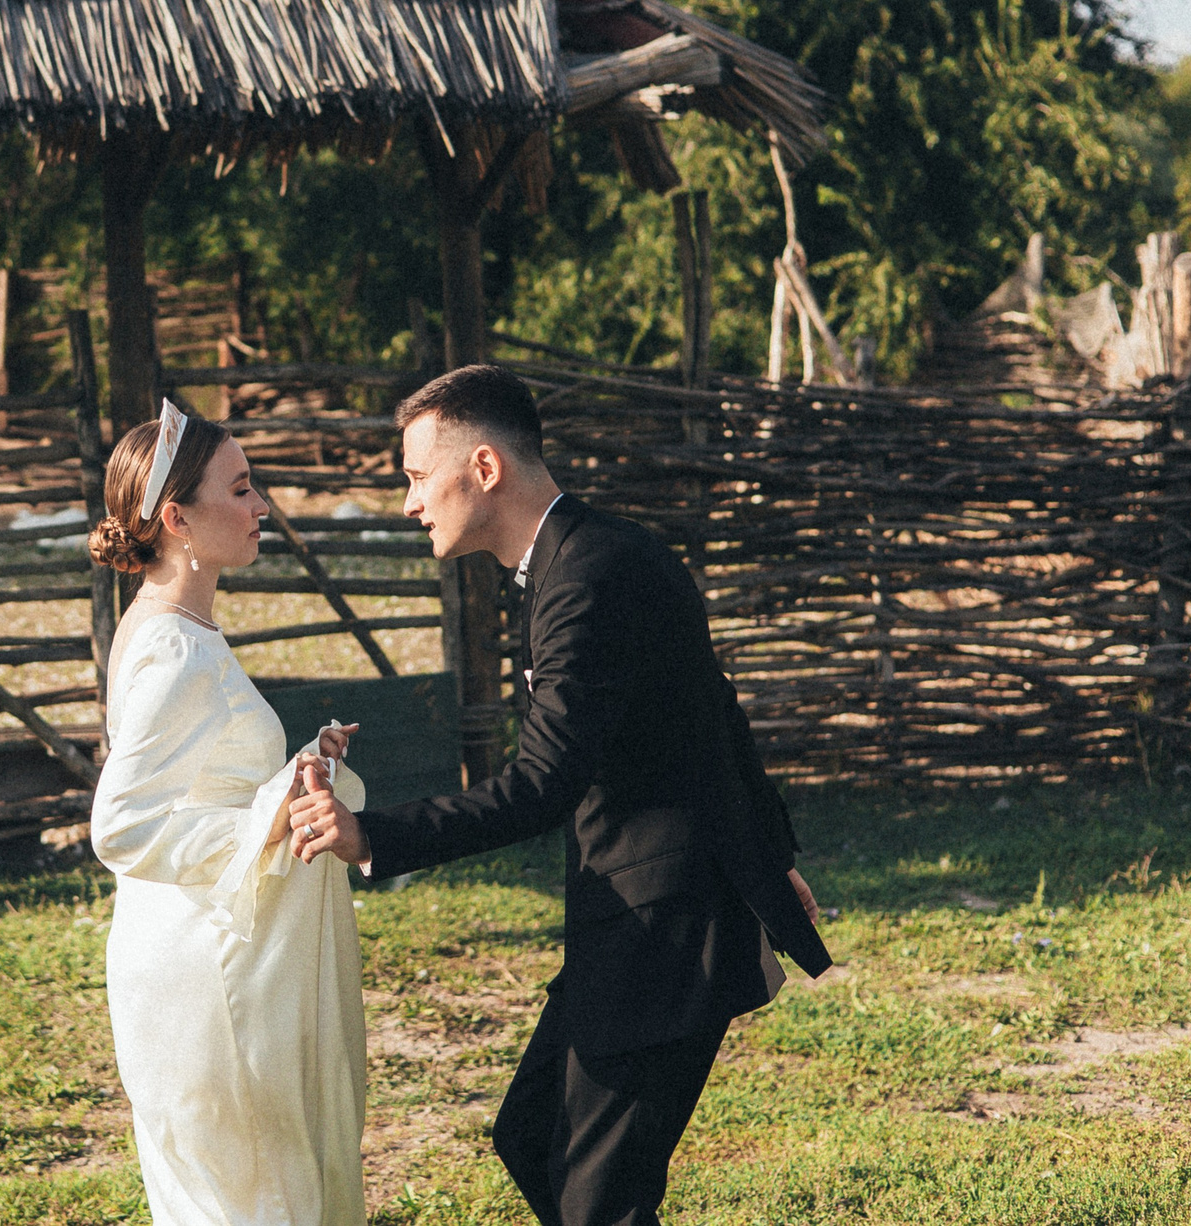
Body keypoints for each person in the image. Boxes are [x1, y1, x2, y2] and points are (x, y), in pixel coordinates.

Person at [288, 365, 830, 1226]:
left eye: (418, 478)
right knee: (534, 1132)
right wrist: (771, 855)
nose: (408, 504)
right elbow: (712, 713)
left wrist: (370, 837)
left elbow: (542, 784)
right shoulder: (581, 560)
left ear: (486, 468)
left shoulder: (588, 574)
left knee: (597, 1200)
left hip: (666, 927)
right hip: (635, 921)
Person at [89, 399, 370, 1226]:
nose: (261, 507)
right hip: (207, 972)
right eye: (242, 489)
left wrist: (299, 771)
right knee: (253, 1197)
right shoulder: (174, 650)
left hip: (219, 946)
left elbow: (198, 783)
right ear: (177, 518)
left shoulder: (175, 626)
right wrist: (273, 816)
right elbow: (123, 826)